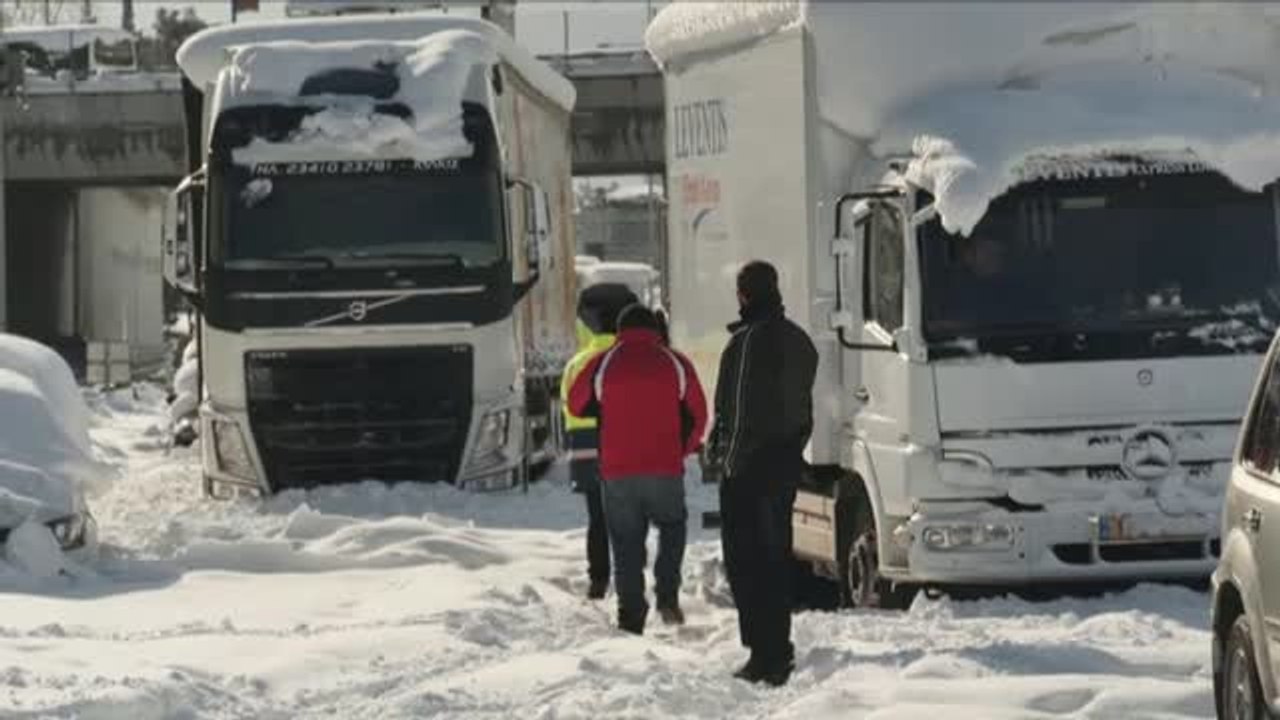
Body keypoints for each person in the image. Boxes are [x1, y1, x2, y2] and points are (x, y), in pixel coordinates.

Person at [705, 260, 818, 687]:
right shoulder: (800, 341)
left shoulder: (746, 344)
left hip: (749, 471)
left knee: (748, 563)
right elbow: (802, 409)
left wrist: (726, 464)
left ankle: (764, 653)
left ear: (743, 295)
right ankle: (779, 647)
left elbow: (733, 412)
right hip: (785, 465)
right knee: (776, 557)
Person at [568, 305, 708, 635]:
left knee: (625, 542)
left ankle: (630, 614)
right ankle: (667, 596)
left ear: (620, 331)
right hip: (664, 467)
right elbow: (699, 414)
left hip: (618, 472)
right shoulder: (675, 363)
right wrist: (682, 449)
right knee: (673, 527)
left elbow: (576, 403)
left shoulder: (603, 363)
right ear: (655, 331)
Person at [560, 283, 640, 600]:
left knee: (597, 517)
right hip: (623, 445)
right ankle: (628, 574)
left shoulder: (578, 363)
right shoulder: (630, 357)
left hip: (585, 449)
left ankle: (598, 579)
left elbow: (568, 401)